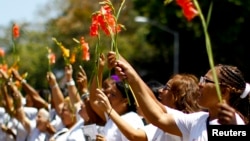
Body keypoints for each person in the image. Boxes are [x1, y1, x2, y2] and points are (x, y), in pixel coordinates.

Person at [107, 51, 250, 141]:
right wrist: (132, 77)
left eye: (206, 81)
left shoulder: (234, 124)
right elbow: (159, 117)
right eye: (201, 79)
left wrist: (234, 129)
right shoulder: (198, 120)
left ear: (224, 92)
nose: (200, 85)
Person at [95, 73, 202, 141]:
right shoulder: (160, 123)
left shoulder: (183, 121)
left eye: (166, 88)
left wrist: (109, 110)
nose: (160, 90)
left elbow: (134, 137)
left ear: (176, 96)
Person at [89, 54, 144, 141]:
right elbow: (94, 100)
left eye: (113, 95)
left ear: (125, 100)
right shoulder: (112, 116)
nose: (108, 96)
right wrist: (99, 70)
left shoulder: (132, 118)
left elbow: (136, 138)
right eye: (109, 93)